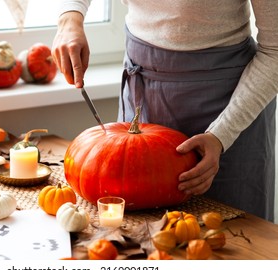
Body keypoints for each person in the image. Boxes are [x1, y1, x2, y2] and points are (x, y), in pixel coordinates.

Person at [51, 0, 278, 222]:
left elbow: (275, 51)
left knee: (233, 243)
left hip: (231, 109)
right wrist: (70, 18)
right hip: (143, 92)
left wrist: (221, 135)